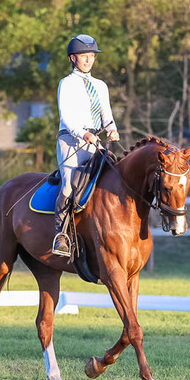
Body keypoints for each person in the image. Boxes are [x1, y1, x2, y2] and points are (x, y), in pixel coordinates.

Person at [52, 34, 120, 257]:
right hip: (71, 140)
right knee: (69, 187)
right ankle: (60, 235)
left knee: (113, 178)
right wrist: (84, 134)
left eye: (91, 56)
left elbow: (106, 114)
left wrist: (111, 128)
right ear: (73, 58)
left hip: (94, 140)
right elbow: (67, 117)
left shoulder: (100, 86)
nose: (89, 60)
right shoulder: (67, 83)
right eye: (84, 56)